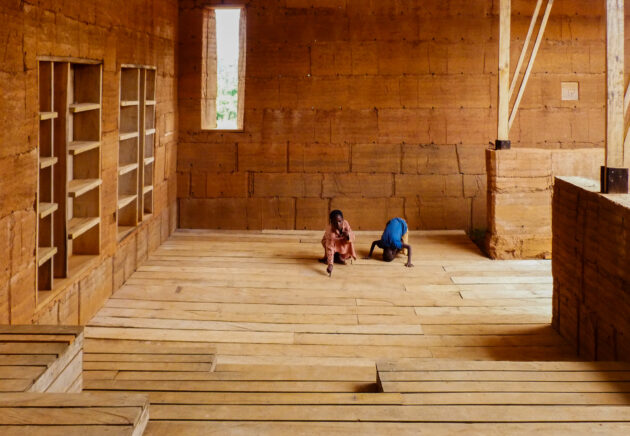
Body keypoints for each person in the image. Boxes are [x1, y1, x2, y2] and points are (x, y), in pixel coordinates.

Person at [320, 210, 356, 276]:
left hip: (340, 241)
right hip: (329, 242)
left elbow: (353, 236)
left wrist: (348, 235)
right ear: (331, 222)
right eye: (335, 222)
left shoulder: (346, 223)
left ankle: (338, 256)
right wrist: (330, 264)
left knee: (349, 241)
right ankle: (333, 257)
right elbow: (329, 248)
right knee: (332, 246)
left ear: (343, 219)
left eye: (340, 221)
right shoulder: (330, 232)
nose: (338, 224)